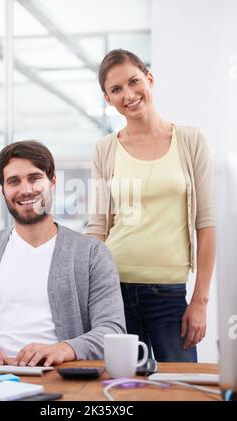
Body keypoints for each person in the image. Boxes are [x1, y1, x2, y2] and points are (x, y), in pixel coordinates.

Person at [86, 49, 216, 362]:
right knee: (122, 387)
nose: (128, 95)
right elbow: (97, 227)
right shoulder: (105, 149)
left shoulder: (191, 140)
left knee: (181, 390)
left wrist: (200, 300)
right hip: (113, 289)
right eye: (116, 90)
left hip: (169, 294)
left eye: (133, 82)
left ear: (150, 79)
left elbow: (207, 224)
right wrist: (90, 294)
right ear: (108, 98)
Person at [0, 140, 126, 367]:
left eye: (34, 178)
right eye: (14, 181)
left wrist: (66, 348)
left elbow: (112, 330)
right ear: (3, 191)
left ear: (52, 182)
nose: (26, 190)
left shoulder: (91, 253)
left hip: (58, 375)